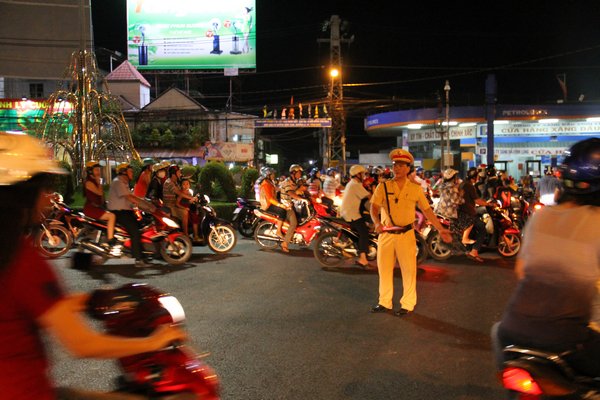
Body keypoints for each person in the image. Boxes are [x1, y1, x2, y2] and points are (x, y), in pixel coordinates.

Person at [0, 132, 185, 400]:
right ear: (22, 194)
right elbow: (81, 343)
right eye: (44, 188)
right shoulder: (22, 258)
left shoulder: (9, 253)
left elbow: (35, 304)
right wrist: (152, 342)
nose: (49, 197)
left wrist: (94, 299)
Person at [494, 138, 600, 378]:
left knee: (495, 331)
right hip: (569, 340)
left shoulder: (540, 218)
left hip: (511, 332)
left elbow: (522, 271)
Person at [369, 149, 452, 316]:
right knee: (384, 270)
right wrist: (377, 222)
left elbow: (427, 210)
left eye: (401, 165)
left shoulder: (415, 189)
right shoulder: (383, 186)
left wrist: (441, 229)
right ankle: (384, 302)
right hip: (386, 235)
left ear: (408, 168)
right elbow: (374, 207)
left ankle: (407, 304)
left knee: (408, 270)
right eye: (395, 165)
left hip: (406, 235)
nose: (397, 168)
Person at [107, 162, 149, 267]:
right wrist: (146, 204)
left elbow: (132, 201)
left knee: (143, 227)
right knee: (135, 232)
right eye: (130, 171)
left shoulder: (125, 183)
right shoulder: (118, 182)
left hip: (127, 211)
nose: (132, 173)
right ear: (123, 172)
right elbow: (130, 197)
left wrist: (145, 206)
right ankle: (138, 259)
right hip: (119, 212)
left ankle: (143, 254)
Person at [340, 165, 371, 268]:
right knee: (364, 232)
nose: (364, 176)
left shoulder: (353, 183)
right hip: (351, 213)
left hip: (349, 212)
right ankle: (363, 258)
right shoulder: (355, 185)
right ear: (358, 174)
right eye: (362, 174)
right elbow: (369, 196)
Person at [457, 167, 489, 262]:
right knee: (482, 228)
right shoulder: (470, 186)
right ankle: (474, 251)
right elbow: (477, 200)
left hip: (462, 211)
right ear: (474, 177)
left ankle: (468, 249)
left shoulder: (463, 184)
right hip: (467, 213)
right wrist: (489, 204)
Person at [82, 161, 116, 246]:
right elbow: (100, 193)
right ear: (90, 171)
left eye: (99, 170)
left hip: (97, 207)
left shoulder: (94, 181)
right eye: (96, 170)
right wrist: (99, 181)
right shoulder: (89, 182)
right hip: (91, 209)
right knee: (111, 216)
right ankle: (110, 238)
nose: (98, 172)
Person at [278, 164, 308, 253]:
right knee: (294, 223)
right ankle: (285, 243)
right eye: (298, 173)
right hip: (286, 206)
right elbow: (291, 193)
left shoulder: (295, 182)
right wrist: (303, 199)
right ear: (293, 173)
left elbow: (302, 189)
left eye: (300, 173)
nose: (300, 175)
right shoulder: (287, 182)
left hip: (292, 204)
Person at [163, 165, 196, 236]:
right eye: (178, 172)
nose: (180, 173)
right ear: (173, 174)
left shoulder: (175, 182)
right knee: (185, 212)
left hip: (175, 204)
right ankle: (186, 234)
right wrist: (191, 198)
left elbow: (183, 191)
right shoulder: (169, 183)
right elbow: (179, 193)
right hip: (170, 206)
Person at [259, 167, 289, 243]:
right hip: (267, 206)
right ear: (268, 175)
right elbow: (270, 199)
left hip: (272, 203)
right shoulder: (265, 184)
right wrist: (280, 205)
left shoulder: (270, 182)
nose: (274, 175)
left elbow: (277, 189)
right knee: (282, 211)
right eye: (272, 174)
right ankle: (278, 231)